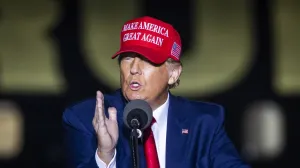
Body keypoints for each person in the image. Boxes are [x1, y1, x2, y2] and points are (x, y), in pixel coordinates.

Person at [62, 16, 251, 168]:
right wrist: (105, 155)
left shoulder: (204, 121)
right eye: (127, 58)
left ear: (173, 74)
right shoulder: (86, 118)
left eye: (147, 59)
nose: (134, 68)